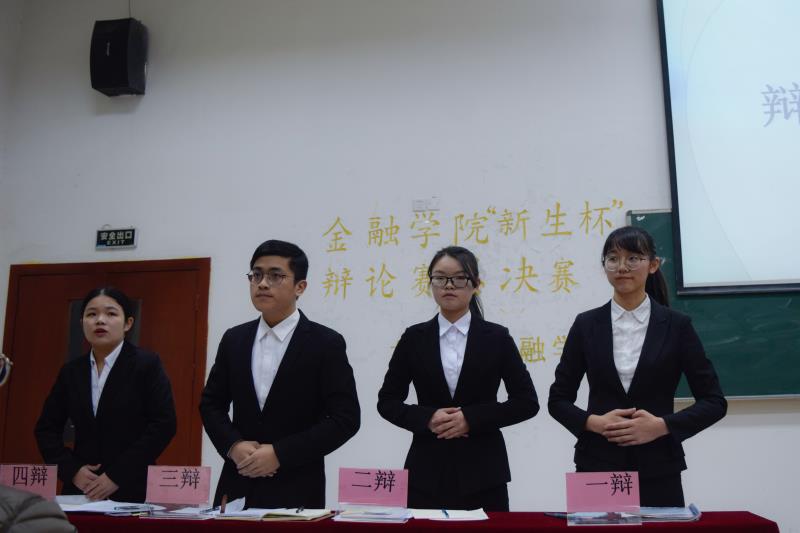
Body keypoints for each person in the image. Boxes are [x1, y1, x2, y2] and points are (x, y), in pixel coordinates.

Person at [548, 226, 727, 507]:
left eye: (633, 258)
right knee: (597, 530)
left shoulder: (677, 326)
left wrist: (662, 426)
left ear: (653, 265)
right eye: (613, 258)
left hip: (659, 467)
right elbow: (557, 400)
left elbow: (714, 402)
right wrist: (594, 423)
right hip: (597, 464)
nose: (622, 267)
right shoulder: (586, 325)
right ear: (604, 266)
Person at [200, 240, 360, 508]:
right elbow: (211, 404)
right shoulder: (234, 339)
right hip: (238, 480)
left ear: (300, 287)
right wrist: (233, 446)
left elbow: (345, 418)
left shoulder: (325, 343)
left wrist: (280, 453)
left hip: (298, 486)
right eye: (256, 275)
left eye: (275, 276)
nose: (262, 284)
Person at [377, 246, 539, 511]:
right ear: (430, 283)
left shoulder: (497, 338)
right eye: (440, 278)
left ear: (476, 284)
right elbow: (387, 401)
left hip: (484, 473)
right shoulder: (413, 338)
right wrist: (427, 418)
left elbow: (527, 402)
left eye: (459, 278)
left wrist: (471, 419)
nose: (449, 285)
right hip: (425, 472)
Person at [35, 287, 177, 503]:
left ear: (128, 323)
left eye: (111, 313)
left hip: (132, 488)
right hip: (82, 490)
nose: (100, 320)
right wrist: (72, 470)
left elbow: (164, 425)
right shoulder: (71, 372)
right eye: (91, 314)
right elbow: (46, 429)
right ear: (82, 322)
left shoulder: (146, 365)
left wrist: (116, 476)